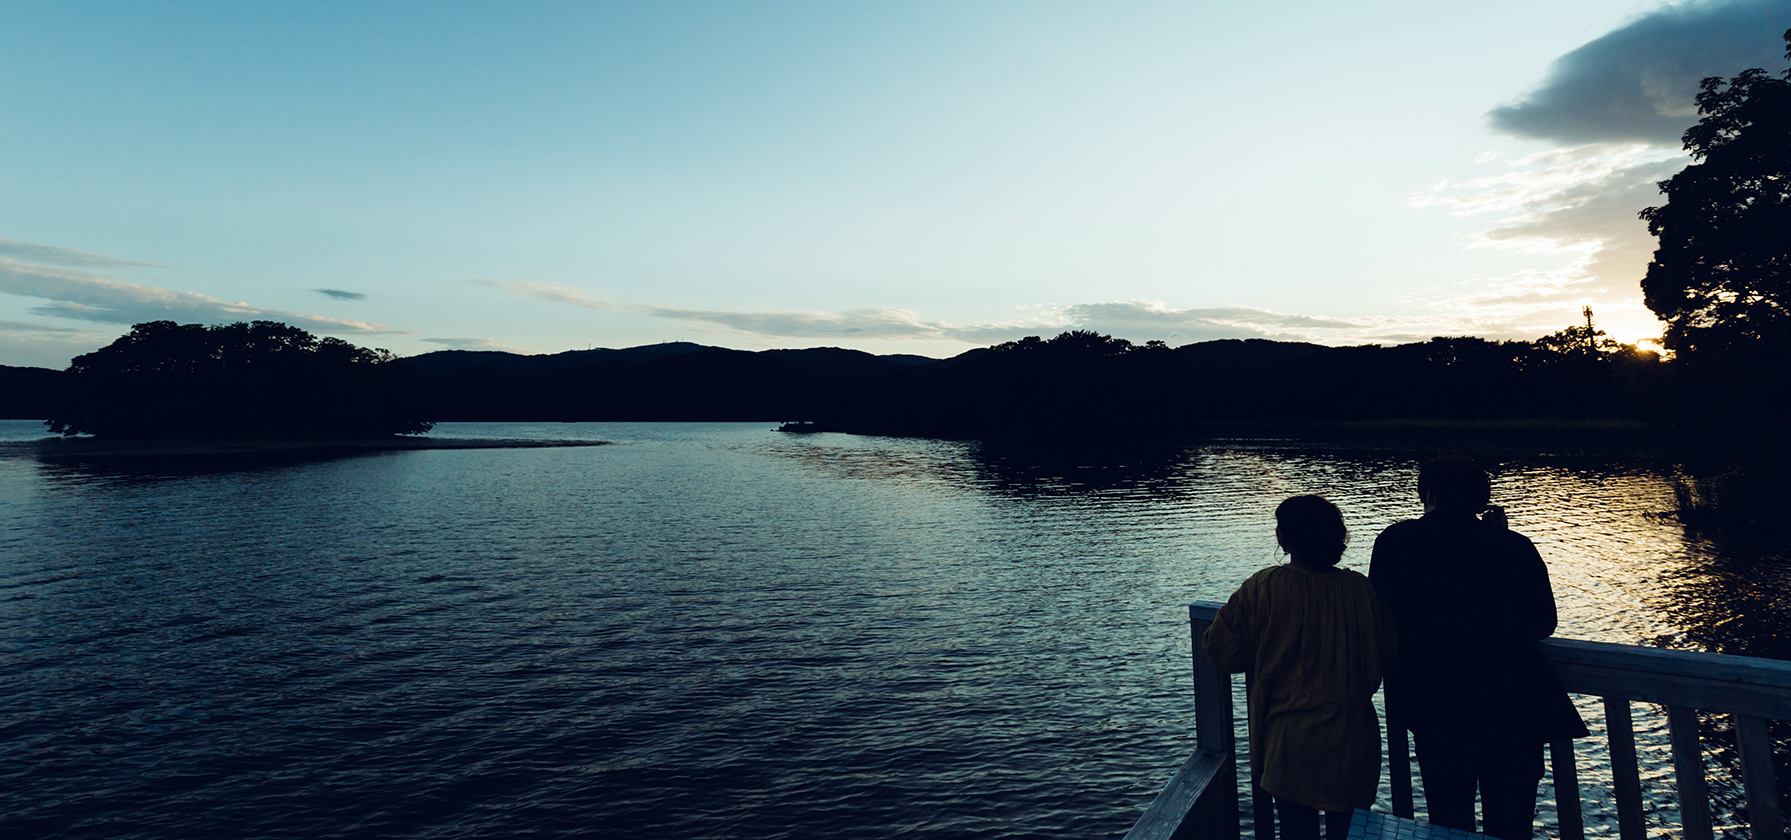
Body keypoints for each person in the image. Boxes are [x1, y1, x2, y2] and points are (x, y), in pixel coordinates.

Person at [1369, 454, 1587, 840]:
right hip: (1511, 702)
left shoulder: (1396, 542)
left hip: (1435, 703)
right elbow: (1543, 622)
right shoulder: (1513, 546)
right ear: (1482, 501)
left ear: (1428, 493)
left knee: (1449, 816)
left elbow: (1381, 616)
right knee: (1512, 819)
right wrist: (1498, 538)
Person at [1204, 495, 1398, 840]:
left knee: (1296, 833)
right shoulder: (1361, 590)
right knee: (1349, 834)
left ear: (1285, 538)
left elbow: (1221, 652)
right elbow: (1389, 656)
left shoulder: (1265, 587)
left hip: (1290, 740)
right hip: (1353, 738)